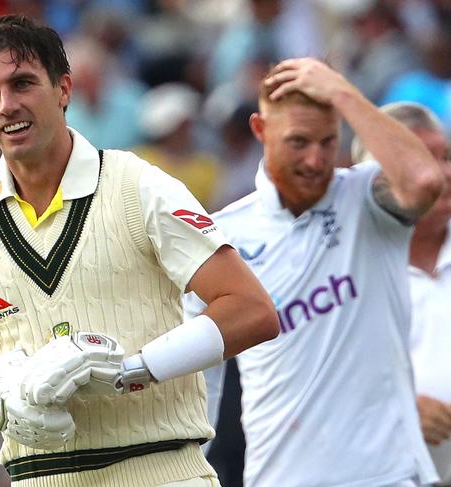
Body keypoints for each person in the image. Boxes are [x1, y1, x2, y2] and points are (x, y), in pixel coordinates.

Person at [0, 14, 279, 487]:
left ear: (64, 89)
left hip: (161, 471)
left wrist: (135, 370)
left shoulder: (138, 186)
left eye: (23, 83)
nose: (6, 105)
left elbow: (253, 310)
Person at [184, 57, 445, 487]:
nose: (315, 160)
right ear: (260, 130)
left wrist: (343, 92)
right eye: (299, 142)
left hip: (391, 475)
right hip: (281, 477)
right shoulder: (222, 234)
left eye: (328, 141)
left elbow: (424, 181)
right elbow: (200, 382)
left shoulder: (366, 197)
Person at [352, 101, 451, 486]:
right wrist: (398, 411)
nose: (443, 173)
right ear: (374, 175)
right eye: (424, 158)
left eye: (446, 156)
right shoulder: (345, 267)